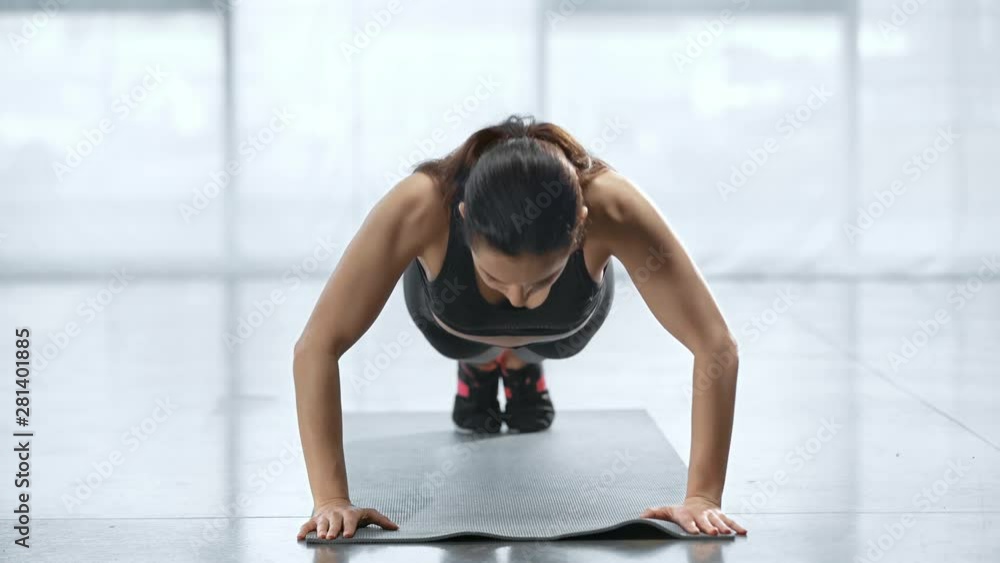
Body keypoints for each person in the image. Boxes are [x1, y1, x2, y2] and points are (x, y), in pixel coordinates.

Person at [294, 115, 747, 541]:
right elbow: (317, 346)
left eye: (542, 280)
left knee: (542, 333)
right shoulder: (421, 204)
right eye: (496, 279)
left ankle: (516, 360)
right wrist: (331, 500)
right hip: (452, 326)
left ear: (581, 225)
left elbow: (715, 345)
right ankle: (484, 362)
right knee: (475, 338)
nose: (517, 301)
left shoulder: (612, 205)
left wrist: (703, 496)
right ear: (465, 217)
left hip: (564, 331)